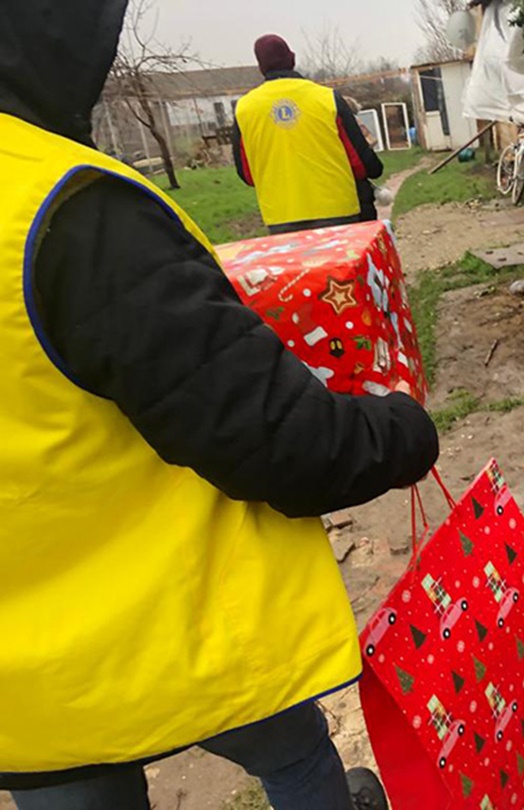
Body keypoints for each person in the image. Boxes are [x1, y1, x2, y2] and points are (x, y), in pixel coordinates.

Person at [0, 3, 438, 809]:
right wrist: (402, 425)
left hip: (25, 698)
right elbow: (276, 438)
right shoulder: (65, 205)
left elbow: (242, 171)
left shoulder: (243, 112)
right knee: (295, 756)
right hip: (172, 626)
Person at [233, 34, 384, 232]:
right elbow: (360, 161)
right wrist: (373, 169)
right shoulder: (327, 99)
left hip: (281, 219)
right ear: (292, 59)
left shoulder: (244, 109)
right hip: (338, 213)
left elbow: (247, 173)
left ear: (260, 67)